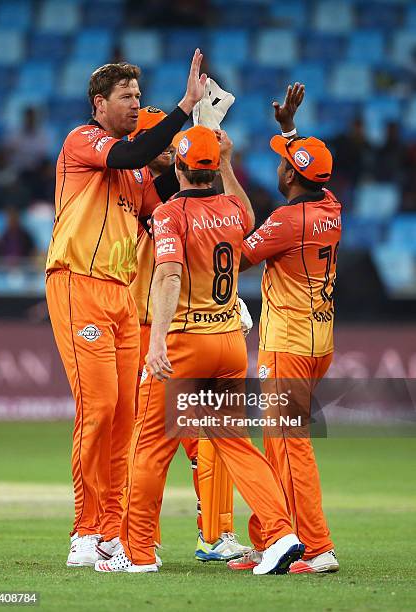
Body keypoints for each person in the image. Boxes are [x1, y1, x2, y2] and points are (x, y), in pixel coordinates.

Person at [95, 125, 304, 574]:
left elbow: (168, 277)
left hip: (185, 343)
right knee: (236, 445)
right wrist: (229, 162)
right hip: (229, 343)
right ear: (211, 168)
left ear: (182, 166)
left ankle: (137, 555)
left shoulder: (171, 214)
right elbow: (249, 217)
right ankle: (281, 532)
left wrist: (156, 342)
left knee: (149, 448)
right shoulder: (231, 207)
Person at [45, 50, 207, 568]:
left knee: (124, 416)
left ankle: (112, 529)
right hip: (77, 283)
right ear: (100, 103)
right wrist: (183, 109)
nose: (137, 104)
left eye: (139, 96)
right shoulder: (82, 142)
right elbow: (131, 156)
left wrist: (197, 158)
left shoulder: (133, 171)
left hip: (120, 295)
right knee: (96, 410)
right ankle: (84, 529)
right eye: (127, 97)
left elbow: (164, 201)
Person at [128, 107, 250, 563]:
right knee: (148, 441)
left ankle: (212, 533)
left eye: (170, 136)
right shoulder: (140, 190)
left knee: (197, 443)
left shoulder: (172, 197)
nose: (167, 142)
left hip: (179, 329)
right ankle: (141, 539)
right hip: (149, 327)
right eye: (155, 137)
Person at [228, 84, 340, 574]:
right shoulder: (330, 207)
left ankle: (318, 549)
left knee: (290, 446)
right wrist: (289, 130)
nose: (277, 166)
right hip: (319, 342)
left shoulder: (286, 220)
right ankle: (277, 539)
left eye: (283, 160)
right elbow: (314, 173)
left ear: (292, 175)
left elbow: (235, 260)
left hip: (288, 345)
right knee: (278, 443)